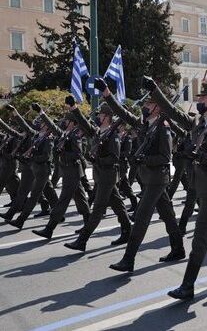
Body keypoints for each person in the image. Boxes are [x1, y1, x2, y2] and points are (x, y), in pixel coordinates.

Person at [144, 78, 207, 300]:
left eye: (203, 98)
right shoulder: (200, 123)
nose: (199, 101)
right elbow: (173, 112)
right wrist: (156, 89)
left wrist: (200, 156)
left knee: (200, 236)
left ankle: (187, 285)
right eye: (198, 98)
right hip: (200, 182)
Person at [90, 79, 185, 272]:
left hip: (157, 178)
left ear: (158, 107)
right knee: (168, 215)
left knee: (141, 217)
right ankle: (178, 248)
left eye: (149, 104)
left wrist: (144, 160)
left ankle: (129, 258)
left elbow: (165, 157)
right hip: (149, 177)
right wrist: (107, 93)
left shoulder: (163, 127)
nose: (145, 107)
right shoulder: (145, 125)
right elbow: (122, 113)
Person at [63, 97, 132, 251]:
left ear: (107, 117)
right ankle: (128, 230)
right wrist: (74, 108)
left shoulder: (113, 135)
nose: (98, 117)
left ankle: (82, 240)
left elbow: (114, 157)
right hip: (101, 175)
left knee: (98, 209)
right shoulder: (99, 132)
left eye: (101, 115)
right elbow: (83, 123)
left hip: (108, 175)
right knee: (118, 205)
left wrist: (97, 160)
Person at [32, 109, 91, 239]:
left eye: (66, 120)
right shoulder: (66, 133)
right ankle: (88, 224)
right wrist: (42, 113)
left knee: (63, 200)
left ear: (72, 123)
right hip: (68, 170)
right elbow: (53, 128)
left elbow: (78, 154)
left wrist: (64, 152)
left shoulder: (75, 135)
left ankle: (49, 229)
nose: (64, 122)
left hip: (73, 171)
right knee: (80, 198)